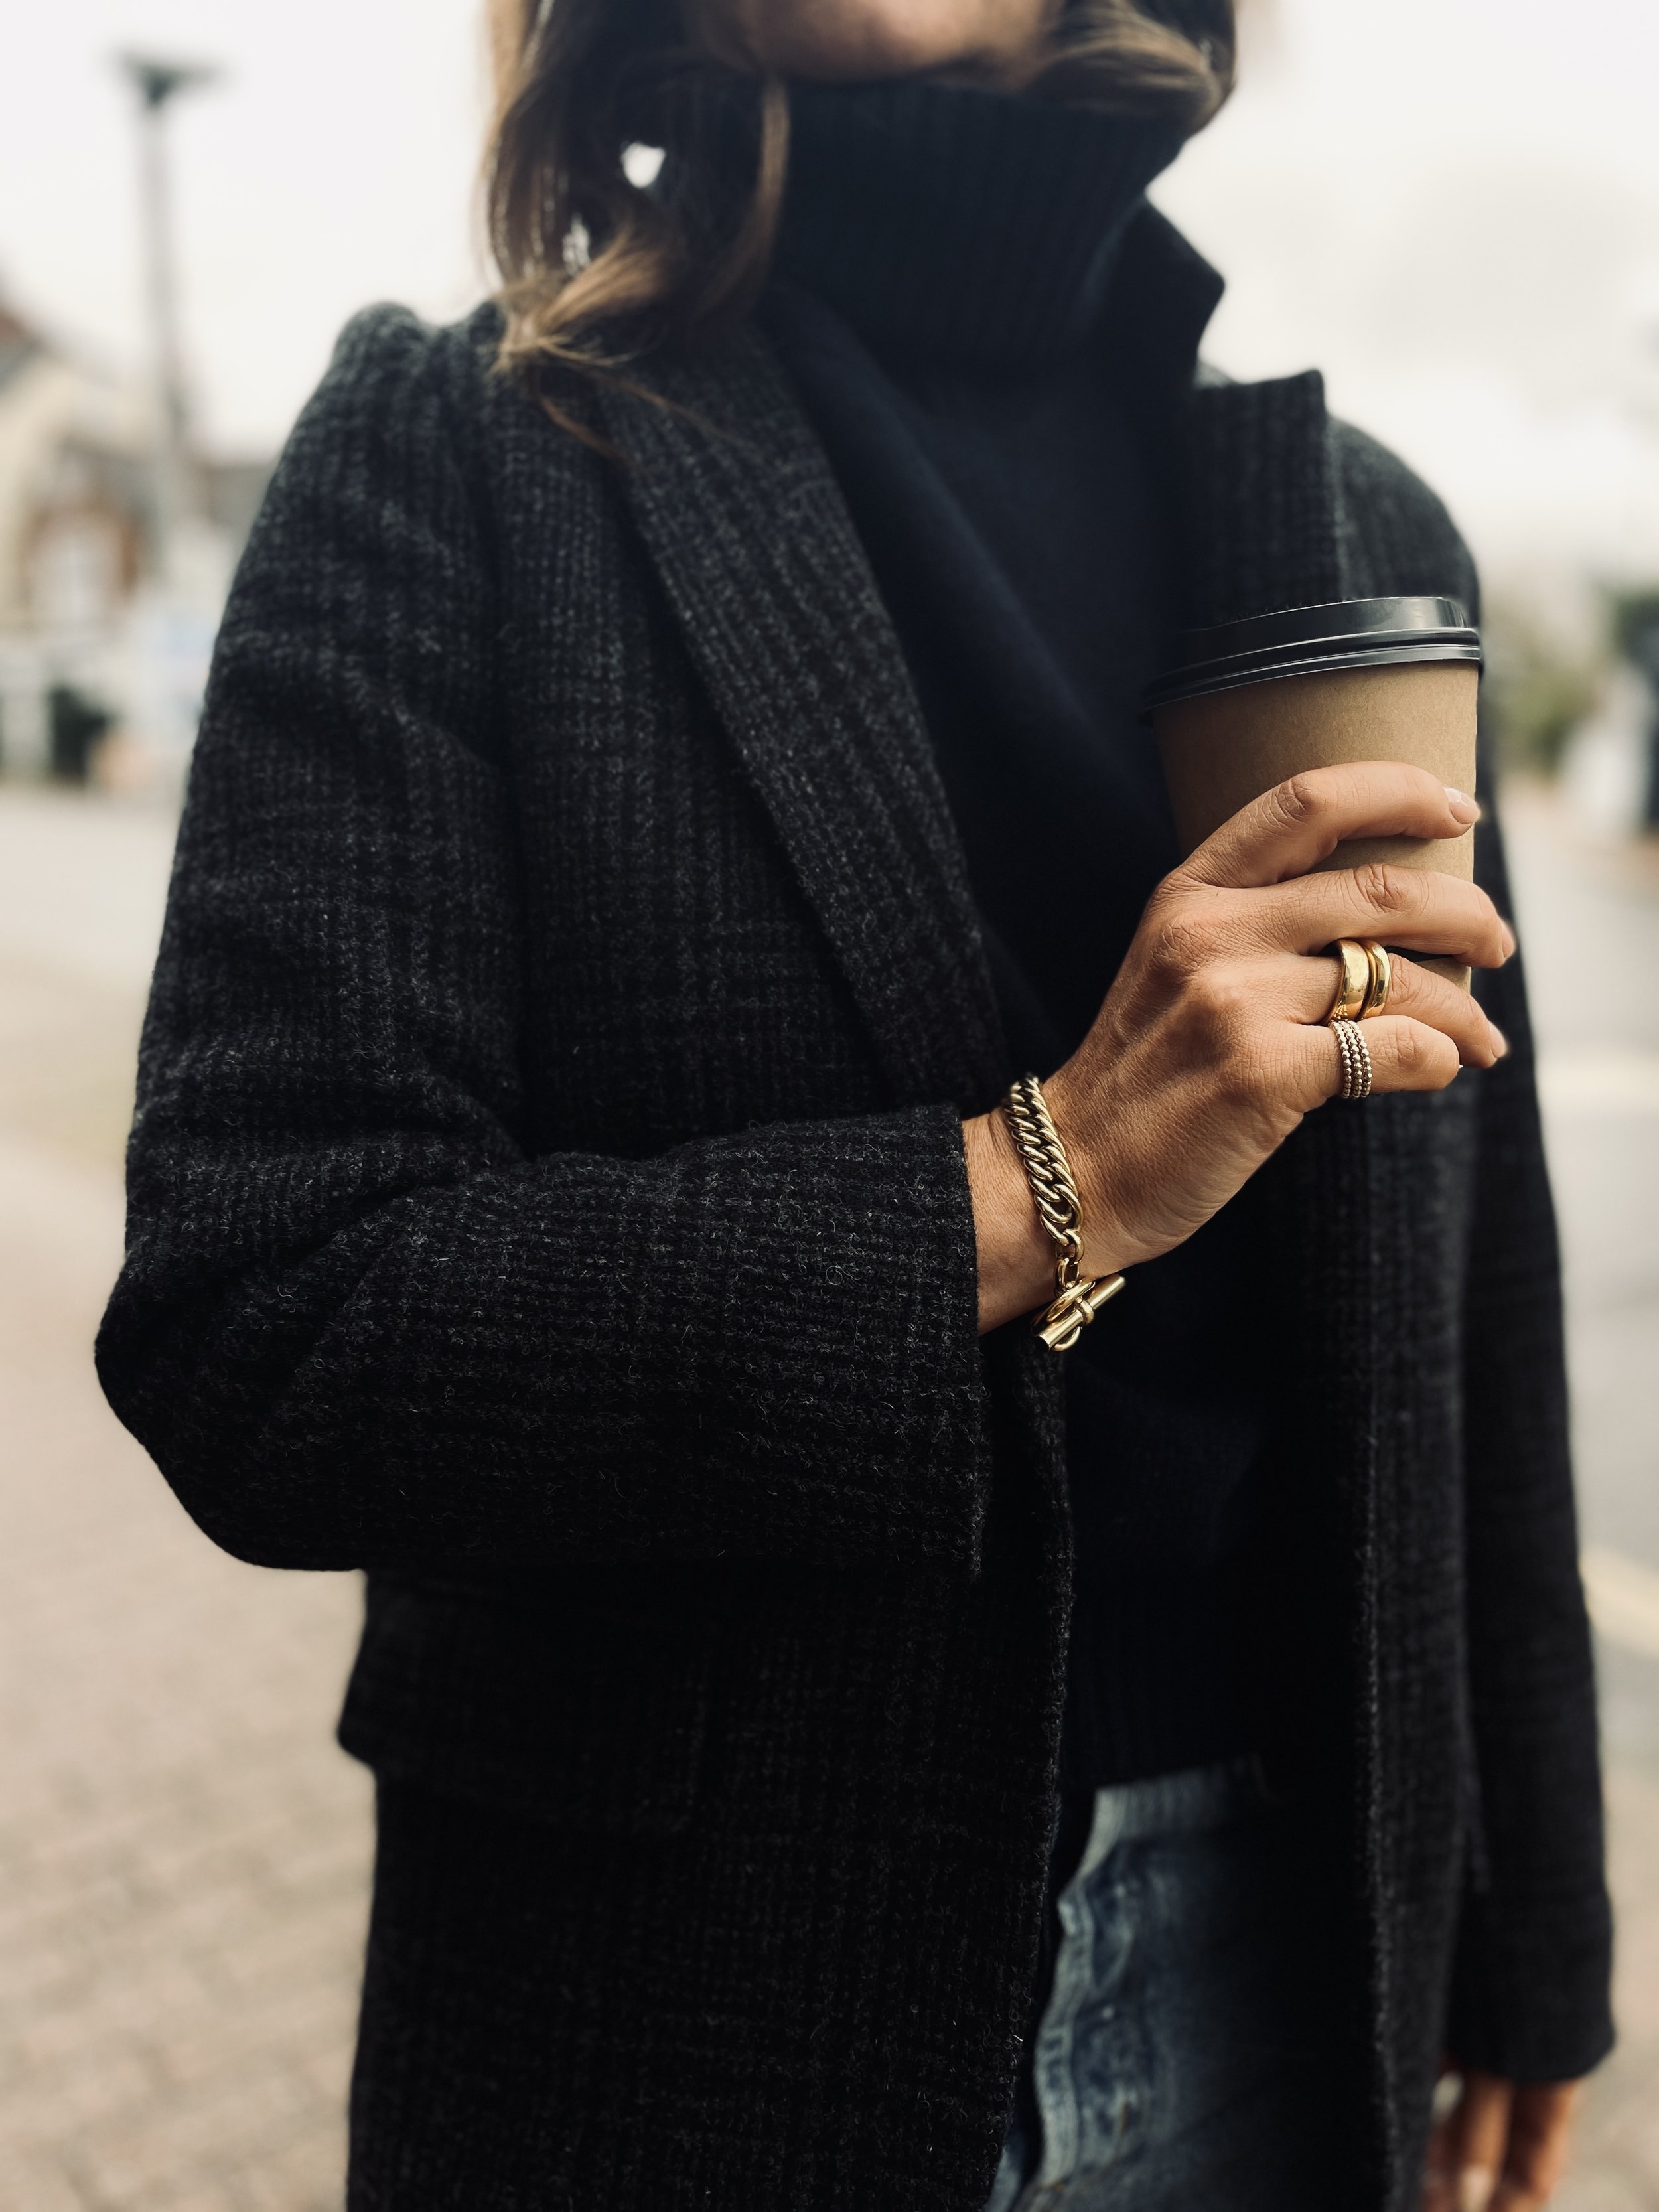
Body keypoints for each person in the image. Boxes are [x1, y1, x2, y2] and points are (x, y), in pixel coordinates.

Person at [96, 0, 1613, 2205]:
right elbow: (268, 1322)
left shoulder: (1361, 524)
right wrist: (1041, 1183)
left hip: (1291, 1977)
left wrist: (1533, 1932)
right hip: (680, 2023)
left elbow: (1477, 1304)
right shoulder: (460, 448)